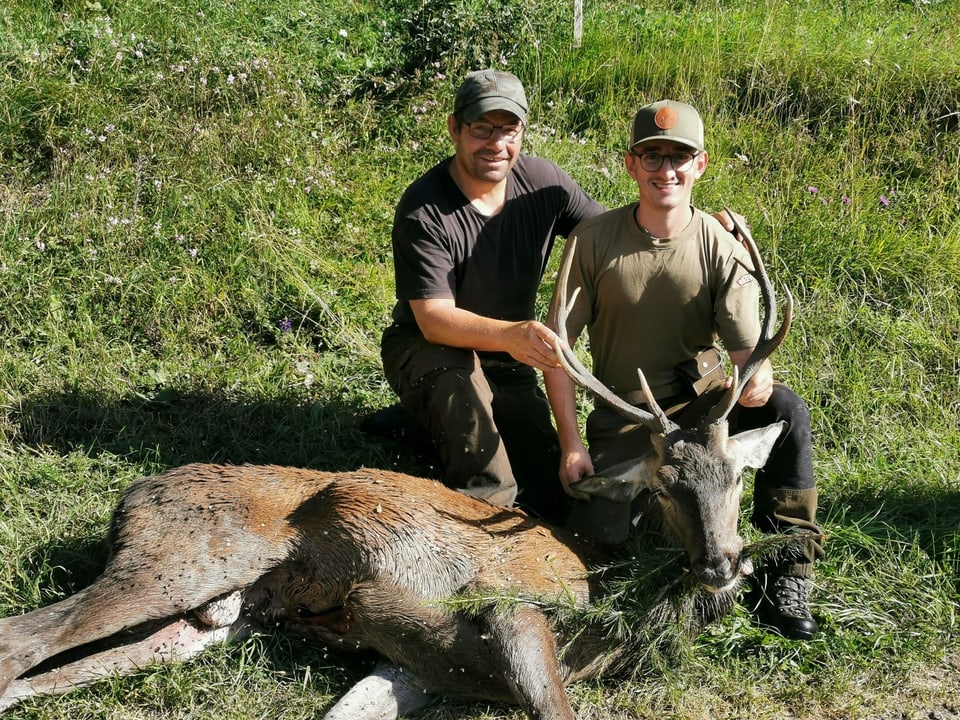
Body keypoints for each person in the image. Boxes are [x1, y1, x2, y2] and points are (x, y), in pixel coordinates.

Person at [376, 70, 747, 528]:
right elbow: (433, 319)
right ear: (455, 128)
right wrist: (512, 335)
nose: (496, 144)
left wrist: (692, 222)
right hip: (429, 349)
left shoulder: (543, 183)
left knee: (552, 490)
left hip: (509, 354)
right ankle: (483, 537)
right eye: (481, 130)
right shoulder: (424, 208)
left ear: (522, 132)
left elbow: (615, 236)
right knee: (493, 473)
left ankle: (423, 426)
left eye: (508, 130)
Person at [543, 99, 824, 640]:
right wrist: (571, 443)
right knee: (604, 547)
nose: (665, 171)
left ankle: (788, 568)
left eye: (679, 157)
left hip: (704, 412)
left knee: (785, 407)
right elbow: (558, 352)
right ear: (631, 165)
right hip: (627, 425)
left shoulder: (719, 244)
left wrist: (754, 376)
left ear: (700, 164)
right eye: (652, 157)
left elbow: (745, 352)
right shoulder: (593, 241)